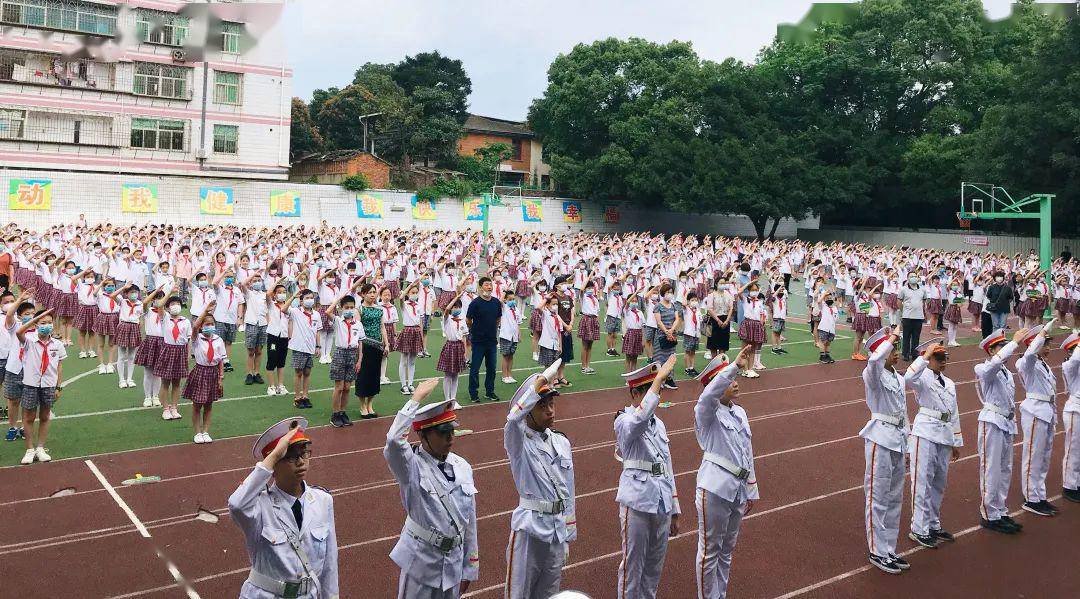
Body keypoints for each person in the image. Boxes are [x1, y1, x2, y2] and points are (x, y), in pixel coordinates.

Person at [384, 380, 480, 598]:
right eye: (442, 432)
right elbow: (393, 442)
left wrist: (470, 566)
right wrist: (415, 399)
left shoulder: (462, 467)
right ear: (423, 435)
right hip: (422, 565)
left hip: (453, 565)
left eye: (452, 430)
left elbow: (469, 521)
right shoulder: (411, 467)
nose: (450, 437)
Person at [228, 417, 339, 598]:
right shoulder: (259, 506)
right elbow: (236, 505)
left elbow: (330, 564)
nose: (301, 461)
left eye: (304, 453)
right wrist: (273, 456)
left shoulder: (323, 501)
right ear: (274, 464)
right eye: (290, 457)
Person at [503, 360, 576, 599]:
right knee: (519, 593)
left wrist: (568, 532)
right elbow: (513, 420)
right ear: (529, 408)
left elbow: (569, 489)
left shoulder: (561, 442)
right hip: (530, 530)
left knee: (549, 594)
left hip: (556, 530)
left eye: (551, 403)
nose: (550, 410)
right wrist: (541, 381)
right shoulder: (519, 441)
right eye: (542, 405)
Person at [614, 355, 681, 599]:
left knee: (653, 571)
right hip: (638, 502)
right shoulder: (623, 420)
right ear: (634, 394)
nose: (655, 396)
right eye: (647, 390)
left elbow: (667, 466)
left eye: (656, 389)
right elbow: (639, 420)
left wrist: (674, 509)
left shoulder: (659, 425)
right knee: (633, 570)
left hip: (661, 502)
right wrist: (659, 379)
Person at [693, 345, 756, 599]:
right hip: (715, 488)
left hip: (737, 489)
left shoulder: (739, 412)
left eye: (736, 379)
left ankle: (719, 595)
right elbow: (708, 396)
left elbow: (747, 453)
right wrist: (733, 368)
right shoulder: (706, 412)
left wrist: (751, 488)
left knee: (727, 550)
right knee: (710, 551)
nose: (736, 383)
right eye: (730, 380)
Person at [858, 326, 910, 574]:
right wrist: (890, 339)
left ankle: (889, 547)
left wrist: (908, 446)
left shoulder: (898, 378)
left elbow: (904, 413)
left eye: (896, 348)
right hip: (880, 437)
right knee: (877, 495)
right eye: (892, 349)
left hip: (898, 438)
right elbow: (874, 360)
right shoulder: (872, 375)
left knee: (894, 497)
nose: (895, 352)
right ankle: (877, 550)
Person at [903, 340, 961, 548]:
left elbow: (954, 413)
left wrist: (956, 441)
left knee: (939, 483)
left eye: (944, 357)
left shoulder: (950, 383)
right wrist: (924, 357)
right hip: (925, 432)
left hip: (944, 435)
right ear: (929, 359)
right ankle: (919, 528)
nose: (943, 361)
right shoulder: (922, 377)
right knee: (922, 482)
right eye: (938, 358)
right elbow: (907, 378)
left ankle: (933, 524)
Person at [974, 327, 1028, 534]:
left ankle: (1000, 511)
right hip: (992, 422)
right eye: (1000, 346)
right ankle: (989, 514)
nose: (1005, 349)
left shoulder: (1006, 372)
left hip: (1006, 422)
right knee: (991, 469)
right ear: (990, 350)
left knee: (1004, 469)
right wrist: (1014, 343)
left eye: (1005, 345)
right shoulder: (983, 368)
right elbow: (993, 366)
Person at [1015, 320, 1060, 517]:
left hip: (1047, 411)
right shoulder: (1026, 362)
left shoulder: (1043, 365)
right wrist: (1041, 333)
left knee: (1043, 456)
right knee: (1033, 455)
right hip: (1035, 411)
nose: (1049, 348)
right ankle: (1031, 498)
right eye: (1045, 344)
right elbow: (1031, 353)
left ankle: (1040, 495)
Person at [16, 309, 65, 465]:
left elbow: (59, 366)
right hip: (31, 384)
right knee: (28, 417)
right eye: (43, 323)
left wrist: (58, 387)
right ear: (36, 324)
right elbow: (18, 332)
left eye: (50, 322)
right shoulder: (29, 340)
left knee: (45, 416)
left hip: (49, 385)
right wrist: (34, 319)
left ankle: (40, 448)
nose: (47, 326)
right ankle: (29, 450)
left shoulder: (57, 344)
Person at [184, 307, 227, 443]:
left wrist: (220, 377)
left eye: (212, 324)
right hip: (200, 371)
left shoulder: (218, 340)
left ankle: (206, 431)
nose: (210, 326)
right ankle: (197, 432)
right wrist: (205, 312)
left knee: (209, 404)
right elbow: (195, 326)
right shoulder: (197, 338)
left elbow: (220, 360)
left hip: (213, 373)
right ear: (202, 326)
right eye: (207, 324)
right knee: (197, 404)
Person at [325, 294, 364, 427]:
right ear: (341, 308)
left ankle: (342, 412)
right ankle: (335, 413)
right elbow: (327, 312)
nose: (349, 310)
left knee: (347, 387)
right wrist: (337, 300)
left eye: (352, 307)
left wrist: (359, 360)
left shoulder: (358, 324)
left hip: (352, 354)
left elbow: (360, 342)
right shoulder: (337, 321)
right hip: (340, 353)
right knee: (339, 387)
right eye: (346, 307)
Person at [466, 276, 502, 402]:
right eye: (486, 285)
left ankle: (489, 391)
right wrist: (474, 331)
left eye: (490, 285)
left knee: (492, 368)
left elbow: (498, 319)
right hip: (478, 342)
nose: (489, 287)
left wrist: (493, 330)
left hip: (491, 342)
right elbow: (468, 320)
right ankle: (473, 393)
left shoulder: (496, 302)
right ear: (481, 287)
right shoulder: (475, 303)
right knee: (475, 368)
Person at [355, 283, 388, 418]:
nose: (372, 294)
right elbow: (357, 329)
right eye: (369, 292)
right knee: (363, 375)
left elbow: (382, 327)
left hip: (377, 346)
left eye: (374, 292)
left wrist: (386, 344)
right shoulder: (359, 309)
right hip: (364, 346)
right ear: (363, 294)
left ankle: (370, 405)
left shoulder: (379, 309)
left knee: (375, 375)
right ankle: (362, 405)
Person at [288, 289, 323, 410]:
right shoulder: (296, 312)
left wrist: (318, 346)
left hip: (310, 347)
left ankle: (305, 396)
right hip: (299, 347)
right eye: (307, 298)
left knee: (307, 372)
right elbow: (283, 309)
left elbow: (317, 331)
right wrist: (293, 297)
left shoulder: (316, 314)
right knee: (298, 373)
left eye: (311, 298)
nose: (310, 300)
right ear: (301, 301)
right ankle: (297, 397)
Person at [1060, 332, 1080, 503]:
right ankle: (1069, 485)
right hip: (1075, 410)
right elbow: (1075, 360)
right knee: (1073, 449)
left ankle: (1077, 481)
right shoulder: (1069, 365)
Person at [897, 272, 927, 362]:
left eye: (915, 276)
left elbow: (924, 302)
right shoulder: (903, 289)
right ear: (908, 278)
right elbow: (899, 301)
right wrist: (904, 311)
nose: (913, 278)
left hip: (919, 317)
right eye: (911, 276)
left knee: (916, 336)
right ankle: (905, 354)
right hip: (907, 316)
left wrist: (923, 312)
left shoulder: (922, 289)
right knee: (906, 336)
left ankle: (914, 353)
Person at [499, 290, 523, 384]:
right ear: (506, 300)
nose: (512, 301)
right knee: (505, 356)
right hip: (506, 335)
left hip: (514, 336)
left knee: (511, 355)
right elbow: (500, 301)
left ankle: (510, 374)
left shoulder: (516, 310)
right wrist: (504, 291)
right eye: (510, 299)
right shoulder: (504, 308)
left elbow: (518, 323)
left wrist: (519, 334)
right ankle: (504, 376)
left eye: (513, 299)